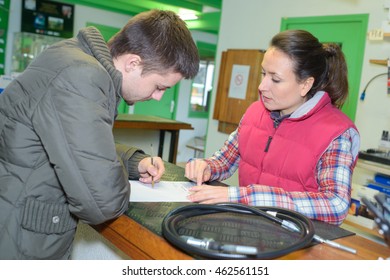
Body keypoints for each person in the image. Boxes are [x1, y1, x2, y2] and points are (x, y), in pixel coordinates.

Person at [0, 9, 199, 259]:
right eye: (159, 86)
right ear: (133, 63)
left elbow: (68, 139)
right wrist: (111, 173)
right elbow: (103, 202)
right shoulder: (82, 77)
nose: (158, 96)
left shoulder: (73, 58)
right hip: (18, 237)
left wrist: (133, 161)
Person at [185, 29, 360, 226]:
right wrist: (206, 167)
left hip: (297, 242)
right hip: (248, 227)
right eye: (263, 73)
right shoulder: (255, 112)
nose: (262, 86)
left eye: (275, 79)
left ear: (305, 84)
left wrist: (246, 197)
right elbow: (225, 161)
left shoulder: (336, 133)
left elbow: (335, 205)